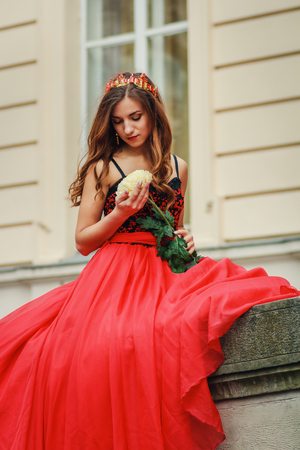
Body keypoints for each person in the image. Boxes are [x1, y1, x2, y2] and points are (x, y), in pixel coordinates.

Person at [0, 72, 298, 450]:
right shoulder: (102, 167)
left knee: (192, 318)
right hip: (113, 272)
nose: (127, 128)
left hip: (164, 270)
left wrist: (184, 236)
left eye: (135, 117)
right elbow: (82, 241)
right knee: (113, 345)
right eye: (119, 121)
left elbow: (172, 227)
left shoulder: (178, 167)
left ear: (153, 113)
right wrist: (119, 214)